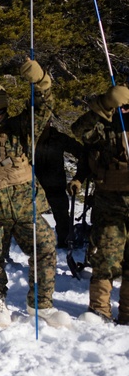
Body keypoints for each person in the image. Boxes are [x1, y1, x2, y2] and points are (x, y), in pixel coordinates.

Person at [0, 59, 72, 328]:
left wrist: (41, 81)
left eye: (1, 111)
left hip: (25, 207)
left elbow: (44, 107)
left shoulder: (22, 127)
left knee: (45, 247)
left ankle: (40, 304)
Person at [69, 84, 129, 324]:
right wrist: (104, 105)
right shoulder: (104, 125)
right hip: (109, 203)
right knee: (106, 257)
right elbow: (79, 130)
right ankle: (99, 310)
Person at [35, 118, 83, 248]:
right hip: (32, 186)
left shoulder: (59, 138)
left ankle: (66, 240)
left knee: (62, 215)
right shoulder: (28, 138)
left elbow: (82, 152)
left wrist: (78, 177)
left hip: (55, 185)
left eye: (45, 121)